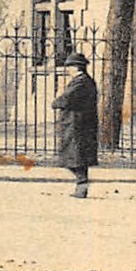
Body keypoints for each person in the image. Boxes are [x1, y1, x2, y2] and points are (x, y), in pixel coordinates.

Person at [51, 52, 99, 199]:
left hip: (77, 124)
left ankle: (82, 185)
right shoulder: (84, 81)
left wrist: (56, 102)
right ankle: (81, 185)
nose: (68, 70)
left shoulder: (81, 82)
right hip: (77, 123)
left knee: (75, 156)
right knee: (75, 157)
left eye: (70, 66)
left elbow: (66, 99)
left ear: (77, 67)